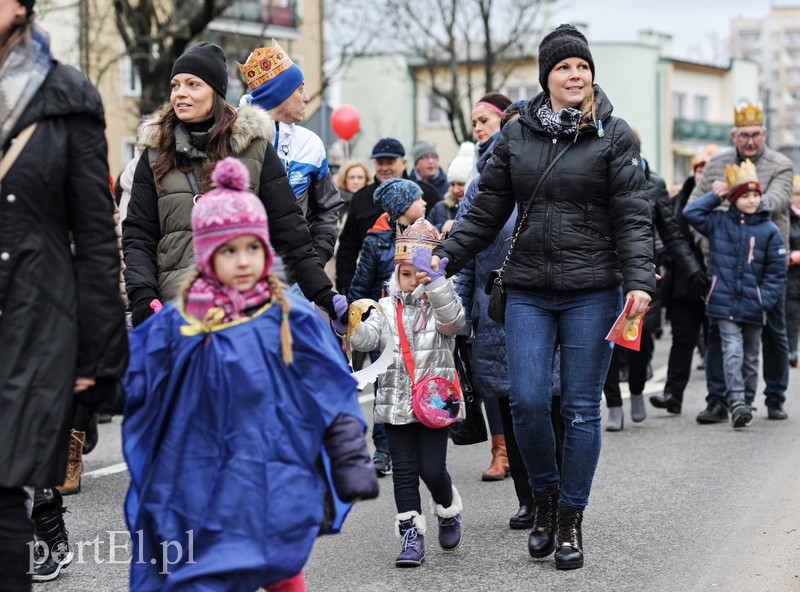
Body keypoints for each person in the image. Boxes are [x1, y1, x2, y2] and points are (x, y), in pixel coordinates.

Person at [422, 24, 655, 569]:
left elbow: (633, 215)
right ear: (547, 77)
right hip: (526, 289)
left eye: (583, 67)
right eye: (564, 67)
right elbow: (485, 210)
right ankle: (544, 499)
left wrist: (640, 282)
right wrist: (445, 256)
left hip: (593, 290)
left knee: (578, 408)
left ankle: (570, 517)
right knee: (526, 401)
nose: (576, 75)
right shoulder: (516, 136)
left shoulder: (613, 134)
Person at [122, 158, 378, 591]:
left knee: (280, 568)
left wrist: (350, 464)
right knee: (205, 572)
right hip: (200, 482)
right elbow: (135, 383)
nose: (243, 260)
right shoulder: (177, 325)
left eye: (252, 247)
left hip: (272, 476)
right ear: (205, 257)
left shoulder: (289, 320)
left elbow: (330, 396)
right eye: (228, 250)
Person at [0, 1, 128, 588]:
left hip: (33, 322)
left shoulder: (67, 96)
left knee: (3, 493)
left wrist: (95, 357)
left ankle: (43, 539)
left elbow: (98, 239)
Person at [122, 42, 346, 329]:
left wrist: (325, 296)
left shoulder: (255, 150)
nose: (181, 93)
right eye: (175, 85)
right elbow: (138, 235)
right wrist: (143, 296)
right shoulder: (155, 154)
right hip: (177, 315)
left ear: (215, 93)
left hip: (245, 317)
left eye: (193, 84)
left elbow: (292, 236)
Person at [349, 218, 466, 568]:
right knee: (404, 471)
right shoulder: (385, 308)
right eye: (405, 274)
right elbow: (366, 338)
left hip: (435, 404)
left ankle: (447, 510)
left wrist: (438, 284)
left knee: (432, 470)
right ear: (395, 276)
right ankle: (410, 535)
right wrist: (350, 320)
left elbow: (455, 321)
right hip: (395, 404)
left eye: (418, 273)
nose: (412, 281)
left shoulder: (439, 305)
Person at [689, 102, 794, 422]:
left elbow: (775, 203)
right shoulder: (717, 163)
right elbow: (695, 207)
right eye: (744, 135)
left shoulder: (781, 164)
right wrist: (708, 242)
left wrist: (741, 193)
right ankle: (719, 400)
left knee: (773, 332)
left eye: (757, 135)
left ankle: (774, 396)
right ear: (734, 134)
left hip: (765, 267)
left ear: (765, 133)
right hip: (722, 266)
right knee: (720, 335)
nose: (750, 141)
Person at [603, 153, 703, 431]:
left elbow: (670, 233)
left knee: (640, 341)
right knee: (607, 340)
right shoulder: (598, 176)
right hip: (605, 270)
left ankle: (636, 391)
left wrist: (693, 269)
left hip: (645, 273)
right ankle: (613, 404)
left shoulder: (655, 185)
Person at [238, 41, 343, 266]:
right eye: (300, 89)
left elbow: (327, 208)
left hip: (296, 277)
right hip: (241, 271)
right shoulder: (231, 138)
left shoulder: (311, 144)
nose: (306, 98)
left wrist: (316, 257)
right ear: (279, 94)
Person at [348, 178, 427, 477]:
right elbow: (361, 284)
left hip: (420, 322)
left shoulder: (428, 235)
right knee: (385, 384)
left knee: (416, 378)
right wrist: (358, 319)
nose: (424, 203)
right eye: (418, 199)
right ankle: (384, 449)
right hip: (387, 322)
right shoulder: (376, 240)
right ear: (402, 206)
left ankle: (419, 437)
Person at [650, 144, 719, 414]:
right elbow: (668, 232)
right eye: (700, 168)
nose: (704, 173)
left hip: (714, 279)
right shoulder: (680, 197)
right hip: (683, 281)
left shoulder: (722, 197)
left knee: (716, 341)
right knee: (683, 339)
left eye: (708, 169)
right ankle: (673, 395)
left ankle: (717, 399)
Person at [335, 138, 439, 296]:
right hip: (377, 295)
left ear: (403, 162)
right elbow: (348, 246)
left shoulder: (428, 194)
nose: (384, 168)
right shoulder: (361, 197)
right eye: (379, 162)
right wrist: (345, 286)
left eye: (389, 162)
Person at [427, 142, 474, 235]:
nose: (455, 190)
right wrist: (442, 227)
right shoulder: (439, 208)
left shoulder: (481, 209)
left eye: (461, 184)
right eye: (452, 184)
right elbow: (424, 234)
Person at [468, 92, 512, 185]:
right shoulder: (477, 156)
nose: (477, 129)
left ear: (504, 118)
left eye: (483, 120)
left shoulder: (516, 153)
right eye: (474, 124)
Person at [788, 174, 800, 368]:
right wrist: (791, 255)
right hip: (790, 275)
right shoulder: (785, 217)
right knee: (791, 314)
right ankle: (792, 351)